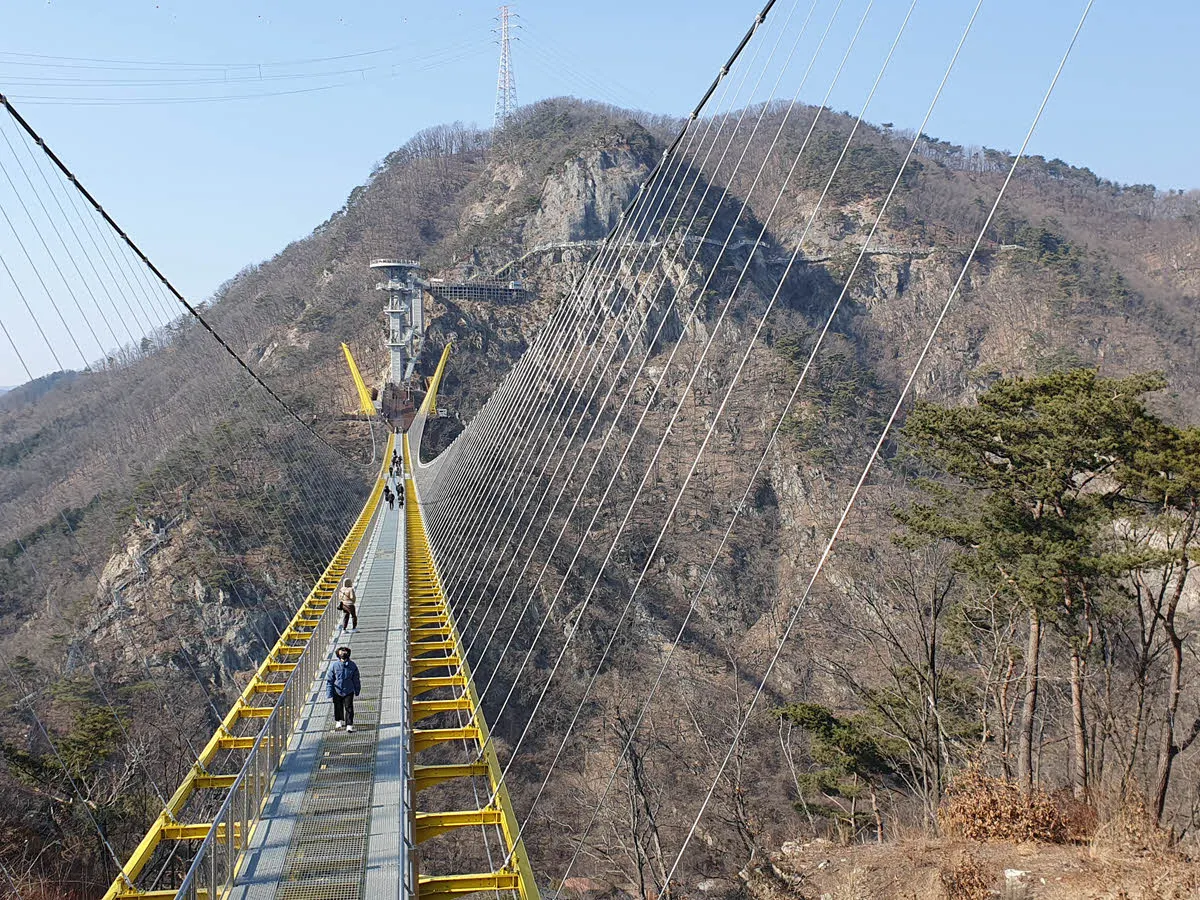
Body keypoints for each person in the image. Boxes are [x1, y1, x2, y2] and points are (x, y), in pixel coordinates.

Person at [326, 646, 361, 733]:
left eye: (345, 652)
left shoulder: (352, 665)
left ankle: (349, 724)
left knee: (349, 707)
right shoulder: (334, 665)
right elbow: (330, 679)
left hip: (348, 690)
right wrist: (329, 692)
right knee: (337, 706)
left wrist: (357, 690)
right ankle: (338, 721)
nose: (343, 654)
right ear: (338, 654)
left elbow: (356, 679)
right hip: (337, 690)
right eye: (341, 652)